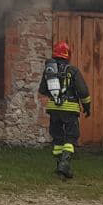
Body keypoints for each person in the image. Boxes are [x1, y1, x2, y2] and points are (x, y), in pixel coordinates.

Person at [38, 41, 91, 179]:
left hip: (54, 109)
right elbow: (83, 91)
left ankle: (59, 166)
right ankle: (64, 164)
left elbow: (42, 90)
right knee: (71, 137)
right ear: (68, 55)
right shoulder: (72, 70)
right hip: (70, 109)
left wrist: (54, 95)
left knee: (57, 138)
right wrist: (87, 106)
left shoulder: (49, 70)